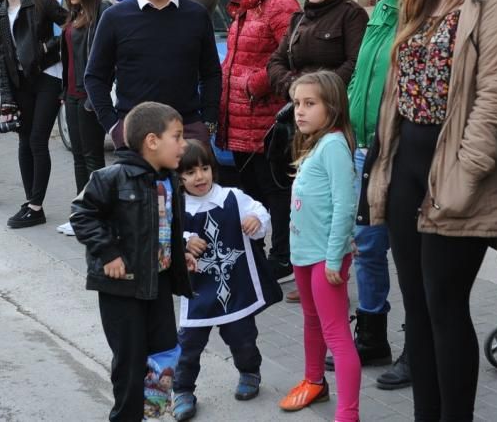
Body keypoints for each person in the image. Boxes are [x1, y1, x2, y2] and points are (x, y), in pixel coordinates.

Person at [364, 0, 497, 420]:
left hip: (457, 167)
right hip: (408, 161)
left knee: (447, 308)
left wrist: (466, 176)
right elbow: (396, 89)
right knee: (418, 308)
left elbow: (496, 95)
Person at [70, 101, 195, 422]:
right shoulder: (111, 177)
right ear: (152, 141)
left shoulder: (168, 180)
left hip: (159, 282)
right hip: (121, 287)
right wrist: (108, 252)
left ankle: (149, 412)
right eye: (177, 137)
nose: (183, 145)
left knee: (166, 351)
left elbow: (160, 228)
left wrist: (180, 252)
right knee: (130, 359)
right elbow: (82, 215)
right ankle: (126, 416)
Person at [344, 0, 424, 385]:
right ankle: (373, 337)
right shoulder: (382, 10)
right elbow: (362, 74)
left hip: (406, 154)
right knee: (369, 248)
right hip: (362, 150)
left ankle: (418, 347)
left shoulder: (437, 13)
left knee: (413, 257)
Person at [267, 0, 368, 296]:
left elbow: (355, 63)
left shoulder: (350, 15)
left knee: (333, 199)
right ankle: (306, 270)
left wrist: (321, 98)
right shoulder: (299, 19)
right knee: (305, 199)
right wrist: (297, 92)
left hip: (334, 119)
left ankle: (332, 267)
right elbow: (276, 61)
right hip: (303, 121)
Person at [85, 0, 221, 151]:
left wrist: (208, 123)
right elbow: (94, 77)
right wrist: (113, 127)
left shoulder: (197, 15)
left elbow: (211, 73)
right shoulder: (114, 17)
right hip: (135, 134)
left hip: (188, 133)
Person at [277, 71, 360, 420]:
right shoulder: (314, 143)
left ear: (333, 107)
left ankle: (348, 413)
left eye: (310, 104)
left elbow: (345, 206)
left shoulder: (335, 146)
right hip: (304, 254)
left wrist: (333, 258)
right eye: (297, 103)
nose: (300, 111)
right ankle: (314, 382)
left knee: (336, 333)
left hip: (325, 258)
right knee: (311, 320)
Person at [172, 139, 274, 420]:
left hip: (234, 285)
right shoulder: (176, 206)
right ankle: (182, 389)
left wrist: (256, 220)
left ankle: (249, 371)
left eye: (205, 168)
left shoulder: (232, 196)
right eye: (191, 172)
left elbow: (260, 211)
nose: (200, 177)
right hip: (198, 290)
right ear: (179, 177)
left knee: (242, 337)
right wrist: (185, 240)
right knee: (189, 344)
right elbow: (166, 235)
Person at [217, 0, 300, 283]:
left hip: (265, 115)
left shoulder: (280, 3)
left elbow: (294, 53)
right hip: (238, 115)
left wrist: (256, 83)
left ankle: (283, 259)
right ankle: (258, 254)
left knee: (275, 190)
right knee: (250, 188)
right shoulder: (246, 3)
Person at [0, 0, 68, 228]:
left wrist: (48, 48)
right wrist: (7, 98)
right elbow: (2, 59)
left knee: (38, 139)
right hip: (20, 82)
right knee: (24, 140)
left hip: (48, 76)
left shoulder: (39, 1)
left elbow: (71, 26)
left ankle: (36, 206)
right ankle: (31, 203)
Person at [57, 0, 109, 235]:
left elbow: (109, 59)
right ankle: (81, 213)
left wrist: (96, 96)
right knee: (78, 157)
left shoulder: (103, 12)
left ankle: (99, 216)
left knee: (93, 158)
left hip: (90, 97)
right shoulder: (74, 14)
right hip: (72, 95)